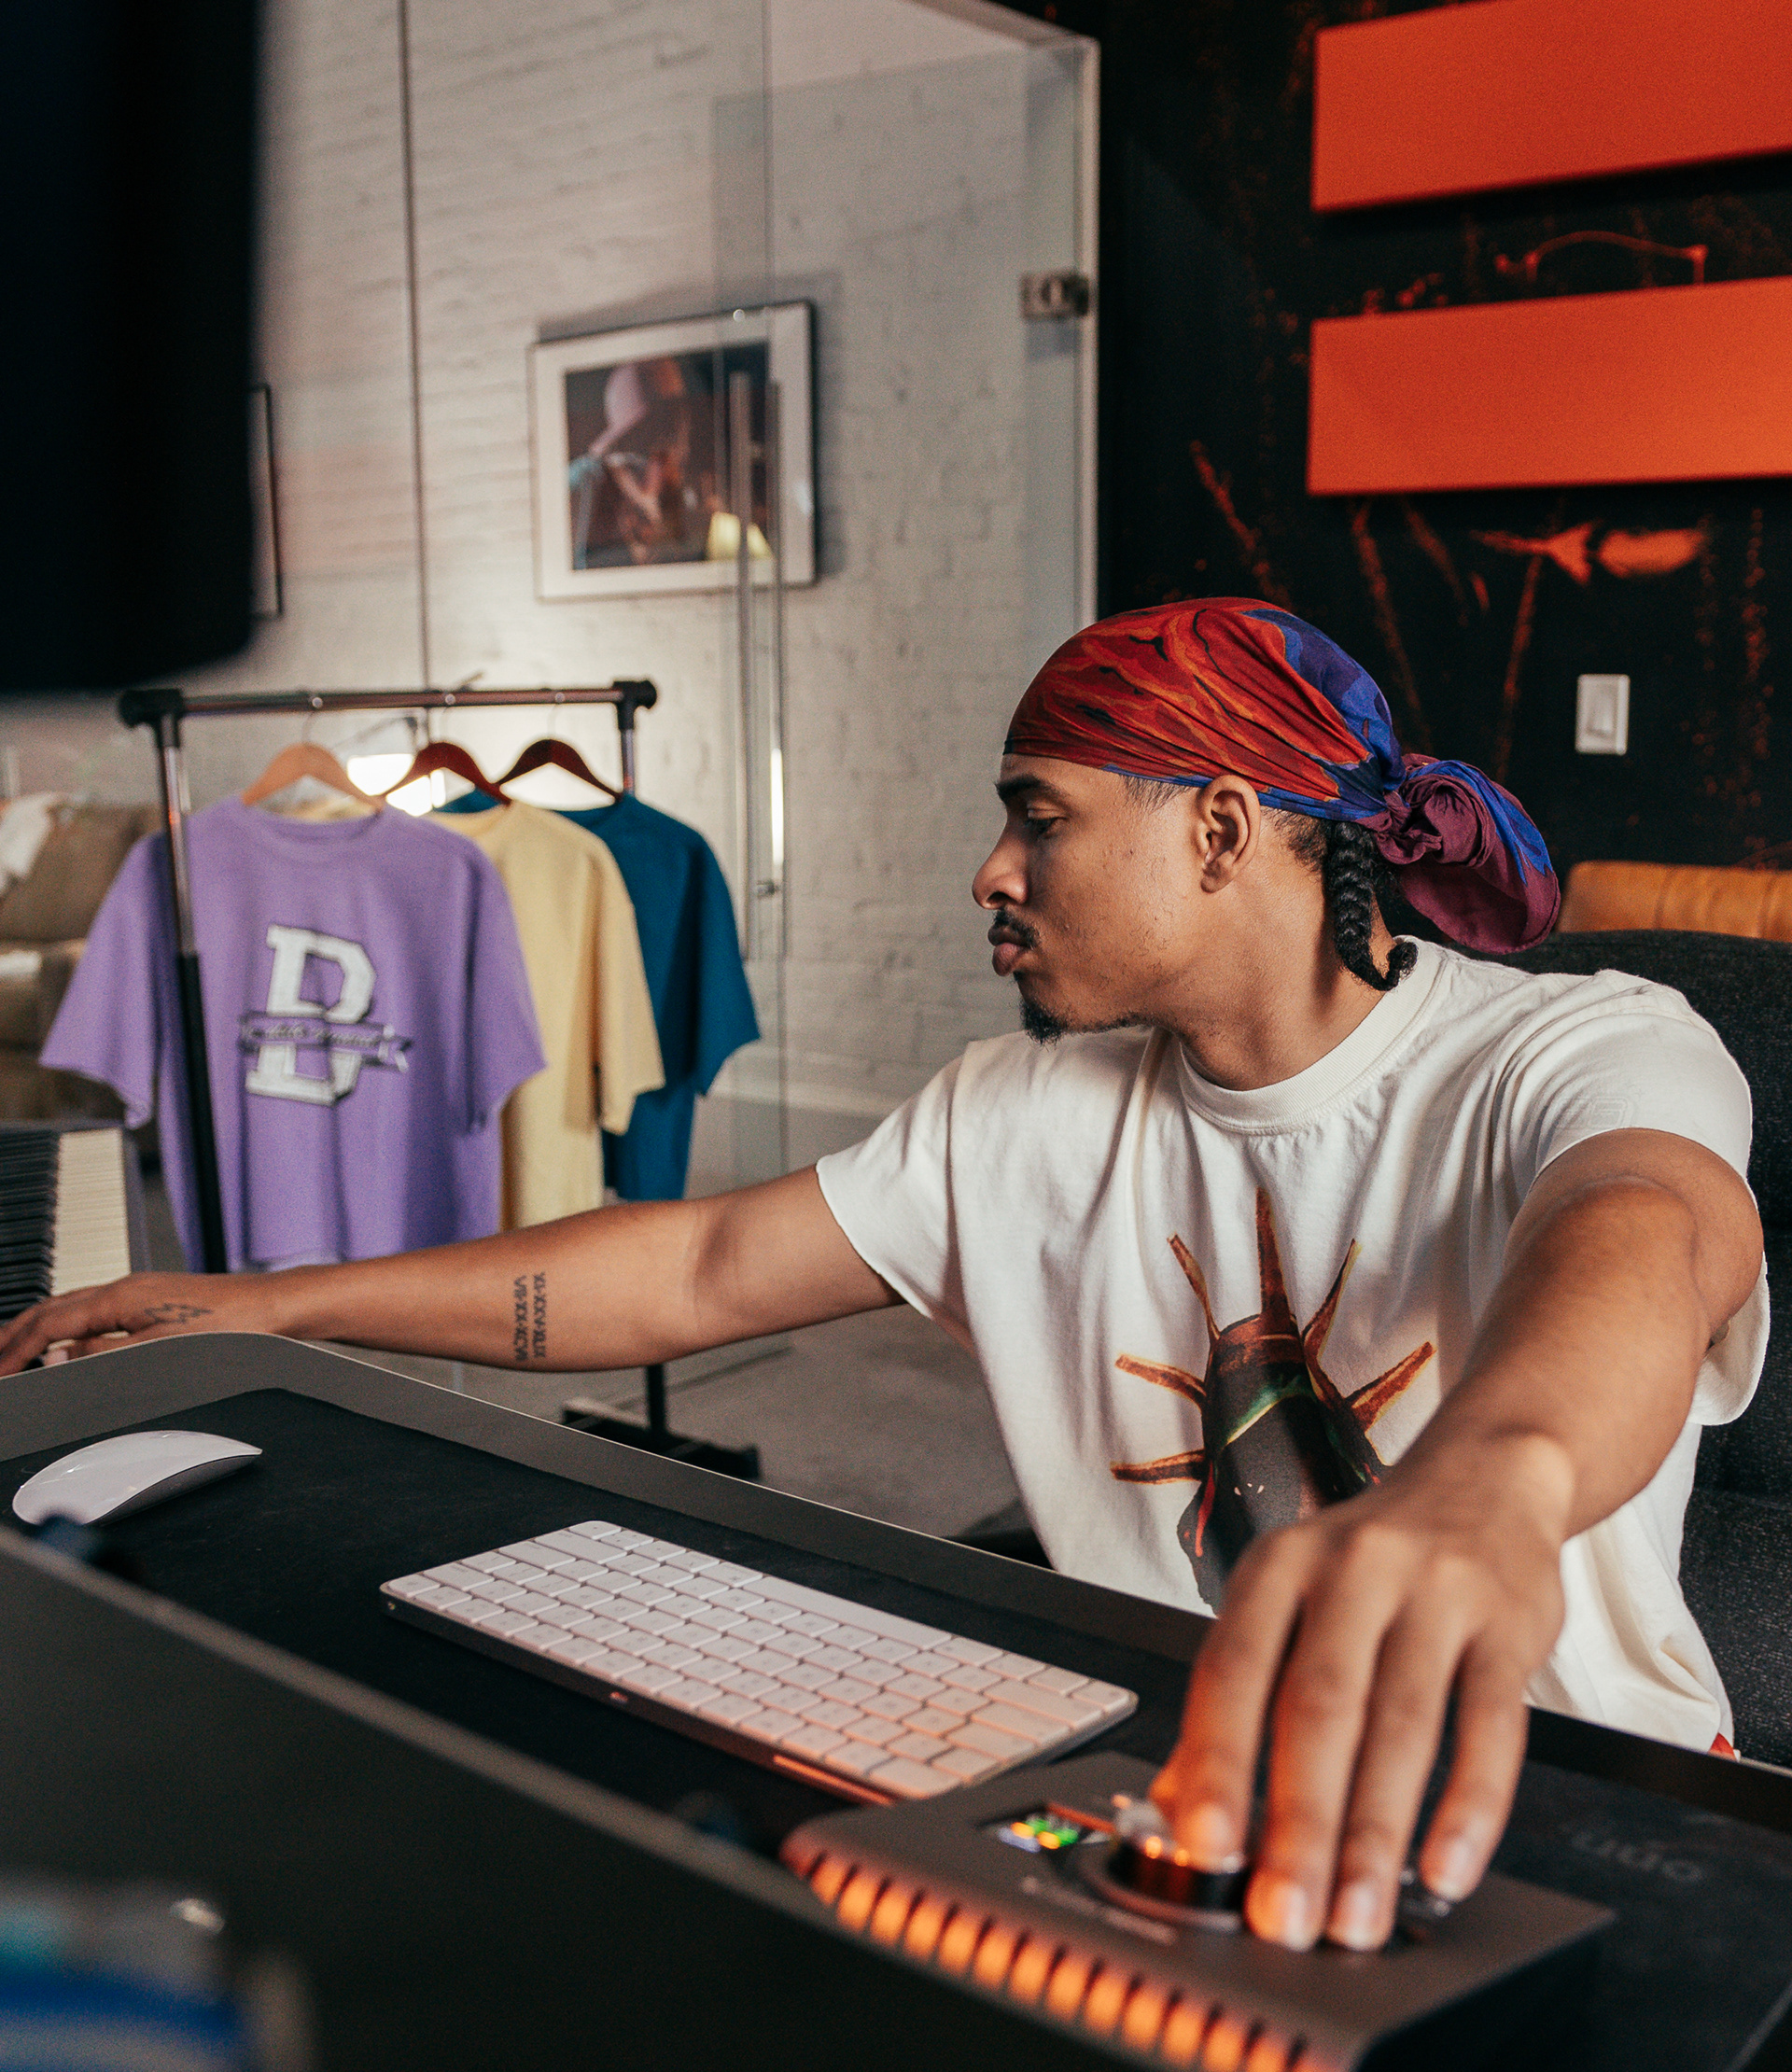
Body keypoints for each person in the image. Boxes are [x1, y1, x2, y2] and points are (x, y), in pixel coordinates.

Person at [2, 597, 1763, 1960]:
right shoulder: (1019, 1108)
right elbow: (699, 1264)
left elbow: (1645, 1232)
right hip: (1166, 1774)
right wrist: (272, 1305)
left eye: (1040, 820)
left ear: (1224, 831)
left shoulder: (1589, 1048)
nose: (992, 873)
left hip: (1575, 1811)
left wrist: (1492, 1484)